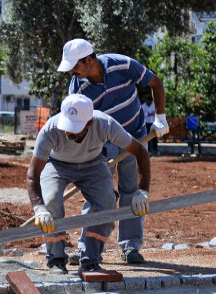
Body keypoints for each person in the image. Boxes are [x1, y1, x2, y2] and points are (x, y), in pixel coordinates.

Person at [57, 38, 166, 264]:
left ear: (89, 60)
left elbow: (156, 82)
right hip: (103, 143)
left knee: (132, 193)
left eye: (75, 66)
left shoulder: (122, 65)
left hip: (134, 137)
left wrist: (160, 118)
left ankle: (131, 246)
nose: (72, 73)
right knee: (96, 193)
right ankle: (87, 246)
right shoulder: (78, 87)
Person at [27, 94, 151, 275]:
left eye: (76, 130)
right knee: (51, 201)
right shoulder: (50, 130)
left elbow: (140, 151)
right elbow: (32, 175)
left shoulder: (105, 124)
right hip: (57, 165)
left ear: (90, 123)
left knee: (107, 203)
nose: (69, 134)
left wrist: (142, 191)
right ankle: (56, 259)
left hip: (93, 164)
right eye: (68, 128)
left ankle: (90, 259)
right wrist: (39, 207)